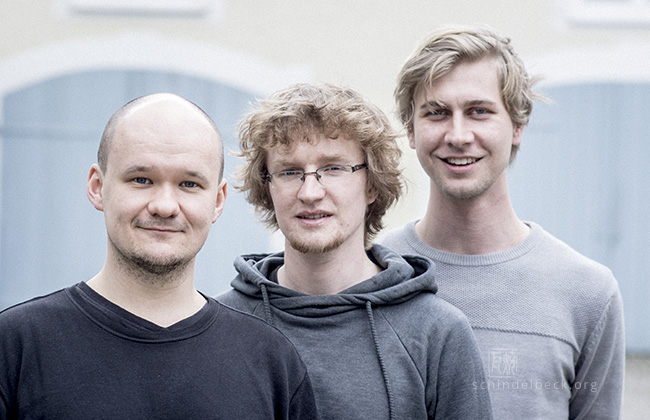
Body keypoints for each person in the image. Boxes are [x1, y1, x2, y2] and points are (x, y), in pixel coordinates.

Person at [0, 93, 319, 419]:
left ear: (218, 201)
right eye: (141, 180)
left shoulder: (271, 361)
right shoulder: (15, 347)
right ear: (97, 186)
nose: (164, 206)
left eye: (189, 184)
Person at [381, 25, 625, 419]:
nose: (458, 135)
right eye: (437, 113)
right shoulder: (370, 276)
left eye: (479, 111)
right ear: (411, 130)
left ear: (517, 126)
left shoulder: (587, 293)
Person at [217, 83, 492, 420]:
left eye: (333, 168)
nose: (310, 192)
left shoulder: (437, 333)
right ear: (268, 186)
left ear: (372, 184)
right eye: (289, 172)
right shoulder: (218, 325)